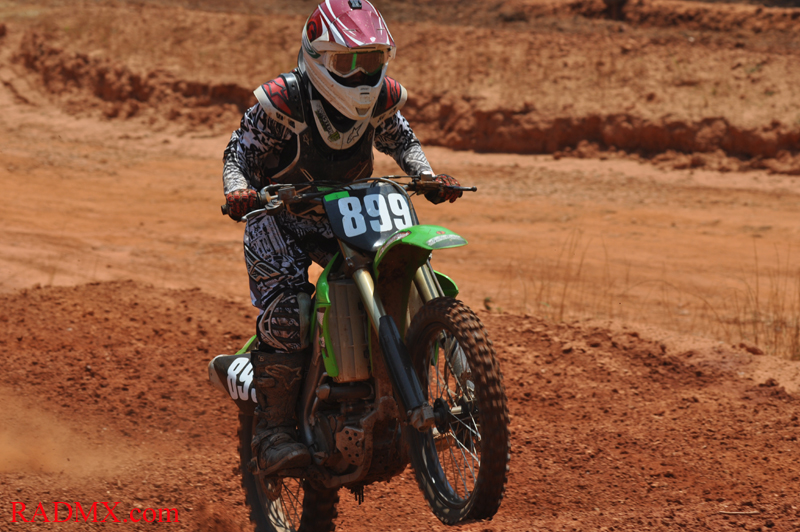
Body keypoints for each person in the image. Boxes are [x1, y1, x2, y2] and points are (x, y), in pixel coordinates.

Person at [221, 0, 462, 476]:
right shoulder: (283, 101)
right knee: (291, 313)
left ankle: (451, 387)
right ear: (319, 57)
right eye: (348, 62)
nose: (361, 75)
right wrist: (238, 191)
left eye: (370, 61)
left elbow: (402, 140)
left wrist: (426, 176)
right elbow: (238, 154)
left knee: (399, 272)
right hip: (280, 218)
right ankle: (272, 433)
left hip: (349, 212)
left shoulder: (381, 99)